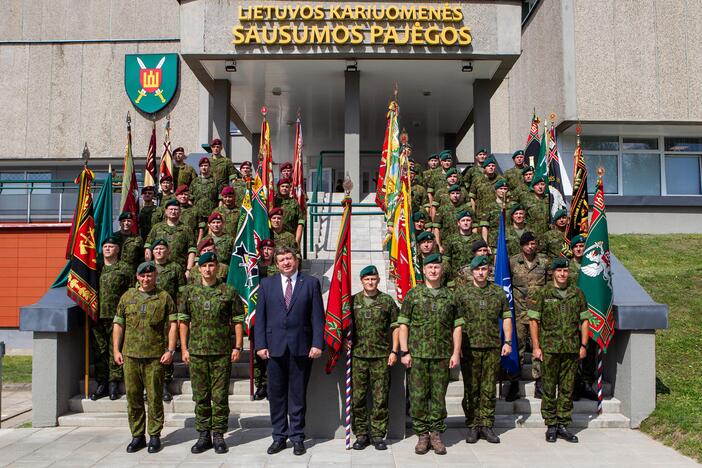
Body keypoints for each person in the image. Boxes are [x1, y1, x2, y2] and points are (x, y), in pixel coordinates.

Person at [255, 247, 324, 456]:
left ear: (296, 261)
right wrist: (260, 345)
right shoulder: (267, 284)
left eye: (289, 259)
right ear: (276, 264)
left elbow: (317, 317)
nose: (286, 263)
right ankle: (279, 437)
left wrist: (317, 343)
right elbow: (261, 318)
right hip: (273, 349)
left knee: (297, 395)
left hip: (302, 348)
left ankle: (297, 437)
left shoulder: (311, 283)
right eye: (281, 260)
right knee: (276, 396)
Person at [178, 252, 245, 454]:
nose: (208, 269)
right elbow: (183, 322)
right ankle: (203, 435)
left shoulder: (228, 291)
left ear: (217, 268)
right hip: (197, 352)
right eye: (204, 266)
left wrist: (238, 346)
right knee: (200, 396)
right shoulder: (189, 292)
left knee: (220, 396)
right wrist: (184, 348)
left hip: (221, 352)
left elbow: (238, 321)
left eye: (212, 265)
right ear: (199, 268)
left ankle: (218, 435)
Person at [397, 253, 463, 455]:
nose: (433, 270)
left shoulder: (451, 296)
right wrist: (405, 351)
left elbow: (457, 327)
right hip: (417, 355)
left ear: (441, 270)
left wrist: (456, 353)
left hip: (442, 355)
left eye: (437, 267)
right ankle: (422, 435)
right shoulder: (413, 295)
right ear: (423, 270)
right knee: (417, 397)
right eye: (430, 267)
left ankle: (436, 433)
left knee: (438, 397)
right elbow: (403, 324)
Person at [112, 261, 177, 454]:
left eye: (150, 275)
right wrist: (116, 350)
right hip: (130, 356)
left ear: (155, 276)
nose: (146, 279)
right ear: (137, 277)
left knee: (155, 396)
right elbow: (119, 325)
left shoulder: (164, 297)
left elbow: (173, 325)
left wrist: (170, 350)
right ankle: (137, 435)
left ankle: (155, 436)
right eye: (142, 276)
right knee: (133, 397)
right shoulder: (127, 297)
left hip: (155, 356)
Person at [529, 256, 591, 443]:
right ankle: (551, 425)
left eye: (565, 271)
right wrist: (536, 347)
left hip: (571, 348)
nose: (562, 274)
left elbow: (585, 320)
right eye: (559, 271)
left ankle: (563, 424)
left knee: (567, 388)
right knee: (548, 388)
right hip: (549, 349)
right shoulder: (543, 293)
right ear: (553, 273)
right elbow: (534, 321)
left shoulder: (577, 293)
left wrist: (583, 345)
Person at [454, 255, 513, 444]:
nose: (481, 272)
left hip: (492, 347)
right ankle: (472, 424)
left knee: (488, 389)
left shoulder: (497, 292)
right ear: (471, 272)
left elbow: (506, 318)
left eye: (484, 269)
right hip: (469, 348)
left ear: (489, 271)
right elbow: (455, 322)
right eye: (477, 269)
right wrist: (457, 347)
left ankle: (486, 425)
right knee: (470, 389)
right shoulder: (461, 293)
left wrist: (508, 341)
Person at [350, 265, 400, 451]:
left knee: (380, 398)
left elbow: (396, 326)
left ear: (378, 280)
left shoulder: (387, 301)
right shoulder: (353, 301)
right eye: (367, 279)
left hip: (381, 357)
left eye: (373, 279)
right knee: (358, 398)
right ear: (361, 281)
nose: (370, 282)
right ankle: (361, 434)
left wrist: (394, 351)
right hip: (358, 356)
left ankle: (378, 435)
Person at [507, 231, 549, 401]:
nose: (530, 247)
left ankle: (539, 384)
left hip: (538, 314)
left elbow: (549, 285)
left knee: (539, 349)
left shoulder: (544, 262)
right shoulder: (512, 262)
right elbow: (506, 285)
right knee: (517, 350)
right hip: (518, 313)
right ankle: (514, 384)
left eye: (533, 243)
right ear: (521, 246)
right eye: (527, 244)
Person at [91, 235, 132, 401]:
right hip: (97, 315)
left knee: (115, 349)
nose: (107, 249)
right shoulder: (95, 268)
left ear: (117, 249)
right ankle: (102, 383)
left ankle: (114, 382)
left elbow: (130, 293)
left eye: (111, 246)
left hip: (117, 317)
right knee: (99, 350)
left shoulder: (125, 268)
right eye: (105, 246)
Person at [151, 238, 186, 401]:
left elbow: (180, 292)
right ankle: (150, 386)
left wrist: (179, 313)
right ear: (152, 252)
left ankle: (165, 384)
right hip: (150, 314)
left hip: (169, 314)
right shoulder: (148, 268)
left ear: (168, 251)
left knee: (167, 347)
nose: (159, 251)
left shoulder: (175, 268)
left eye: (162, 249)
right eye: (156, 249)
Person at [145, 199, 196, 273]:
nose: (173, 212)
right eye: (171, 209)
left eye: (176, 209)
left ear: (180, 212)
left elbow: (192, 250)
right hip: (157, 270)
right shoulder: (157, 227)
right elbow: (148, 247)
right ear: (166, 211)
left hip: (180, 269)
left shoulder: (186, 229)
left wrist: (188, 270)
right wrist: (148, 265)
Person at [443, 210, 482, 280]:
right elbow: (446, 261)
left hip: (474, 277)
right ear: (458, 223)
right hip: (456, 278)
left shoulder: (478, 239)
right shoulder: (451, 239)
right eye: (463, 220)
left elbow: (482, 259)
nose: (466, 223)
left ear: (472, 222)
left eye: (468, 220)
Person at [274, 178, 305, 245]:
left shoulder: (294, 203)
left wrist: (297, 241)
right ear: (278, 187)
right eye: (282, 186)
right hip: (273, 239)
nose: (284, 188)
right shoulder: (272, 202)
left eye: (287, 187)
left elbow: (300, 222)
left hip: (289, 240)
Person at [189, 157, 219, 223]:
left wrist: (218, 212)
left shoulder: (215, 181)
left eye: (205, 165)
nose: (204, 167)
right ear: (199, 167)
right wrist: (193, 211)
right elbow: (190, 199)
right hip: (198, 215)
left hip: (212, 216)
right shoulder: (195, 182)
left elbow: (220, 198)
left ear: (209, 167)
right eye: (201, 166)